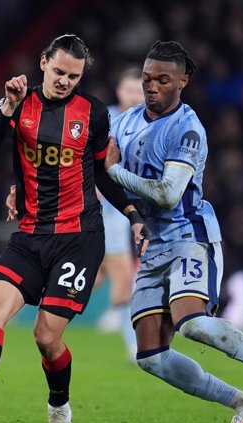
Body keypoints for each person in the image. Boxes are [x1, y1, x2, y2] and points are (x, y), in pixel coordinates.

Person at [0, 34, 149, 423]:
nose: (64, 81)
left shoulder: (93, 112)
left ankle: (59, 405)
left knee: (45, 337)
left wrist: (131, 212)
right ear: (43, 63)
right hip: (29, 234)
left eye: (73, 76)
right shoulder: (19, 100)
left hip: (78, 238)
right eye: (59, 71)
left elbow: (101, 173)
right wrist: (7, 107)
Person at [104, 40, 243, 423]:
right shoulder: (125, 122)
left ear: (183, 81)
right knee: (151, 357)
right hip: (154, 244)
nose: (152, 87)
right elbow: (103, 166)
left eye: (163, 80)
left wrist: (114, 171)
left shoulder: (188, 129)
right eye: (147, 79)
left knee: (192, 323)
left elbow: (166, 193)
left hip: (190, 237)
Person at [94, 66, 145, 359]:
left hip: (132, 206)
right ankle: (130, 339)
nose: (135, 96)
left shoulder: (149, 122)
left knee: (96, 276)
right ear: (119, 91)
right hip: (105, 208)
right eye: (130, 90)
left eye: (139, 91)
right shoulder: (105, 119)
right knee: (123, 274)